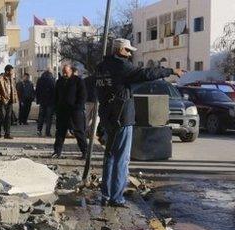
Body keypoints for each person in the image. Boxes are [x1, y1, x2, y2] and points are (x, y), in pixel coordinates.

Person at [96, 38, 183, 207]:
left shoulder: (101, 67)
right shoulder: (122, 66)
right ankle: (116, 198)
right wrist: (171, 70)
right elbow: (146, 74)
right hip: (122, 117)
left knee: (110, 157)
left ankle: (106, 195)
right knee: (122, 158)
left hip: (108, 116)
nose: (129, 54)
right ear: (120, 50)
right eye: (128, 51)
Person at [52, 64, 88, 158]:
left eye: (66, 72)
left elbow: (83, 96)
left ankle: (85, 152)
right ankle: (57, 151)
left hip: (75, 112)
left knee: (79, 132)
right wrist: (56, 108)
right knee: (60, 132)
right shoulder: (59, 81)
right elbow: (55, 96)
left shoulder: (78, 81)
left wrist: (78, 107)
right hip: (62, 111)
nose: (64, 74)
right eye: (63, 72)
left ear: (71, 71)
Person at [0, 65, 18, 139]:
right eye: (11, 71)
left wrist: (15, 98)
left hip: (10, 101)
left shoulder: (12, 79)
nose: (12, 72)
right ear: (7, 71)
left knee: (8, 117)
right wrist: (0, 98)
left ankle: (7, 134)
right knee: (2, 117)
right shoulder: (0, 79)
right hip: (2, 101)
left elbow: (14, 90)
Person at [36, 68, 56, 137]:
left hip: (42, 101)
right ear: (51, 72)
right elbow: (54, 91)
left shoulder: (40, 79)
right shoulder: (52, 79)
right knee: (49, 117)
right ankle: (47, 132)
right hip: (50, 102)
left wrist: (38, 100)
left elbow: (37, 90)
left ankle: (39, 130)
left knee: (41, 116)